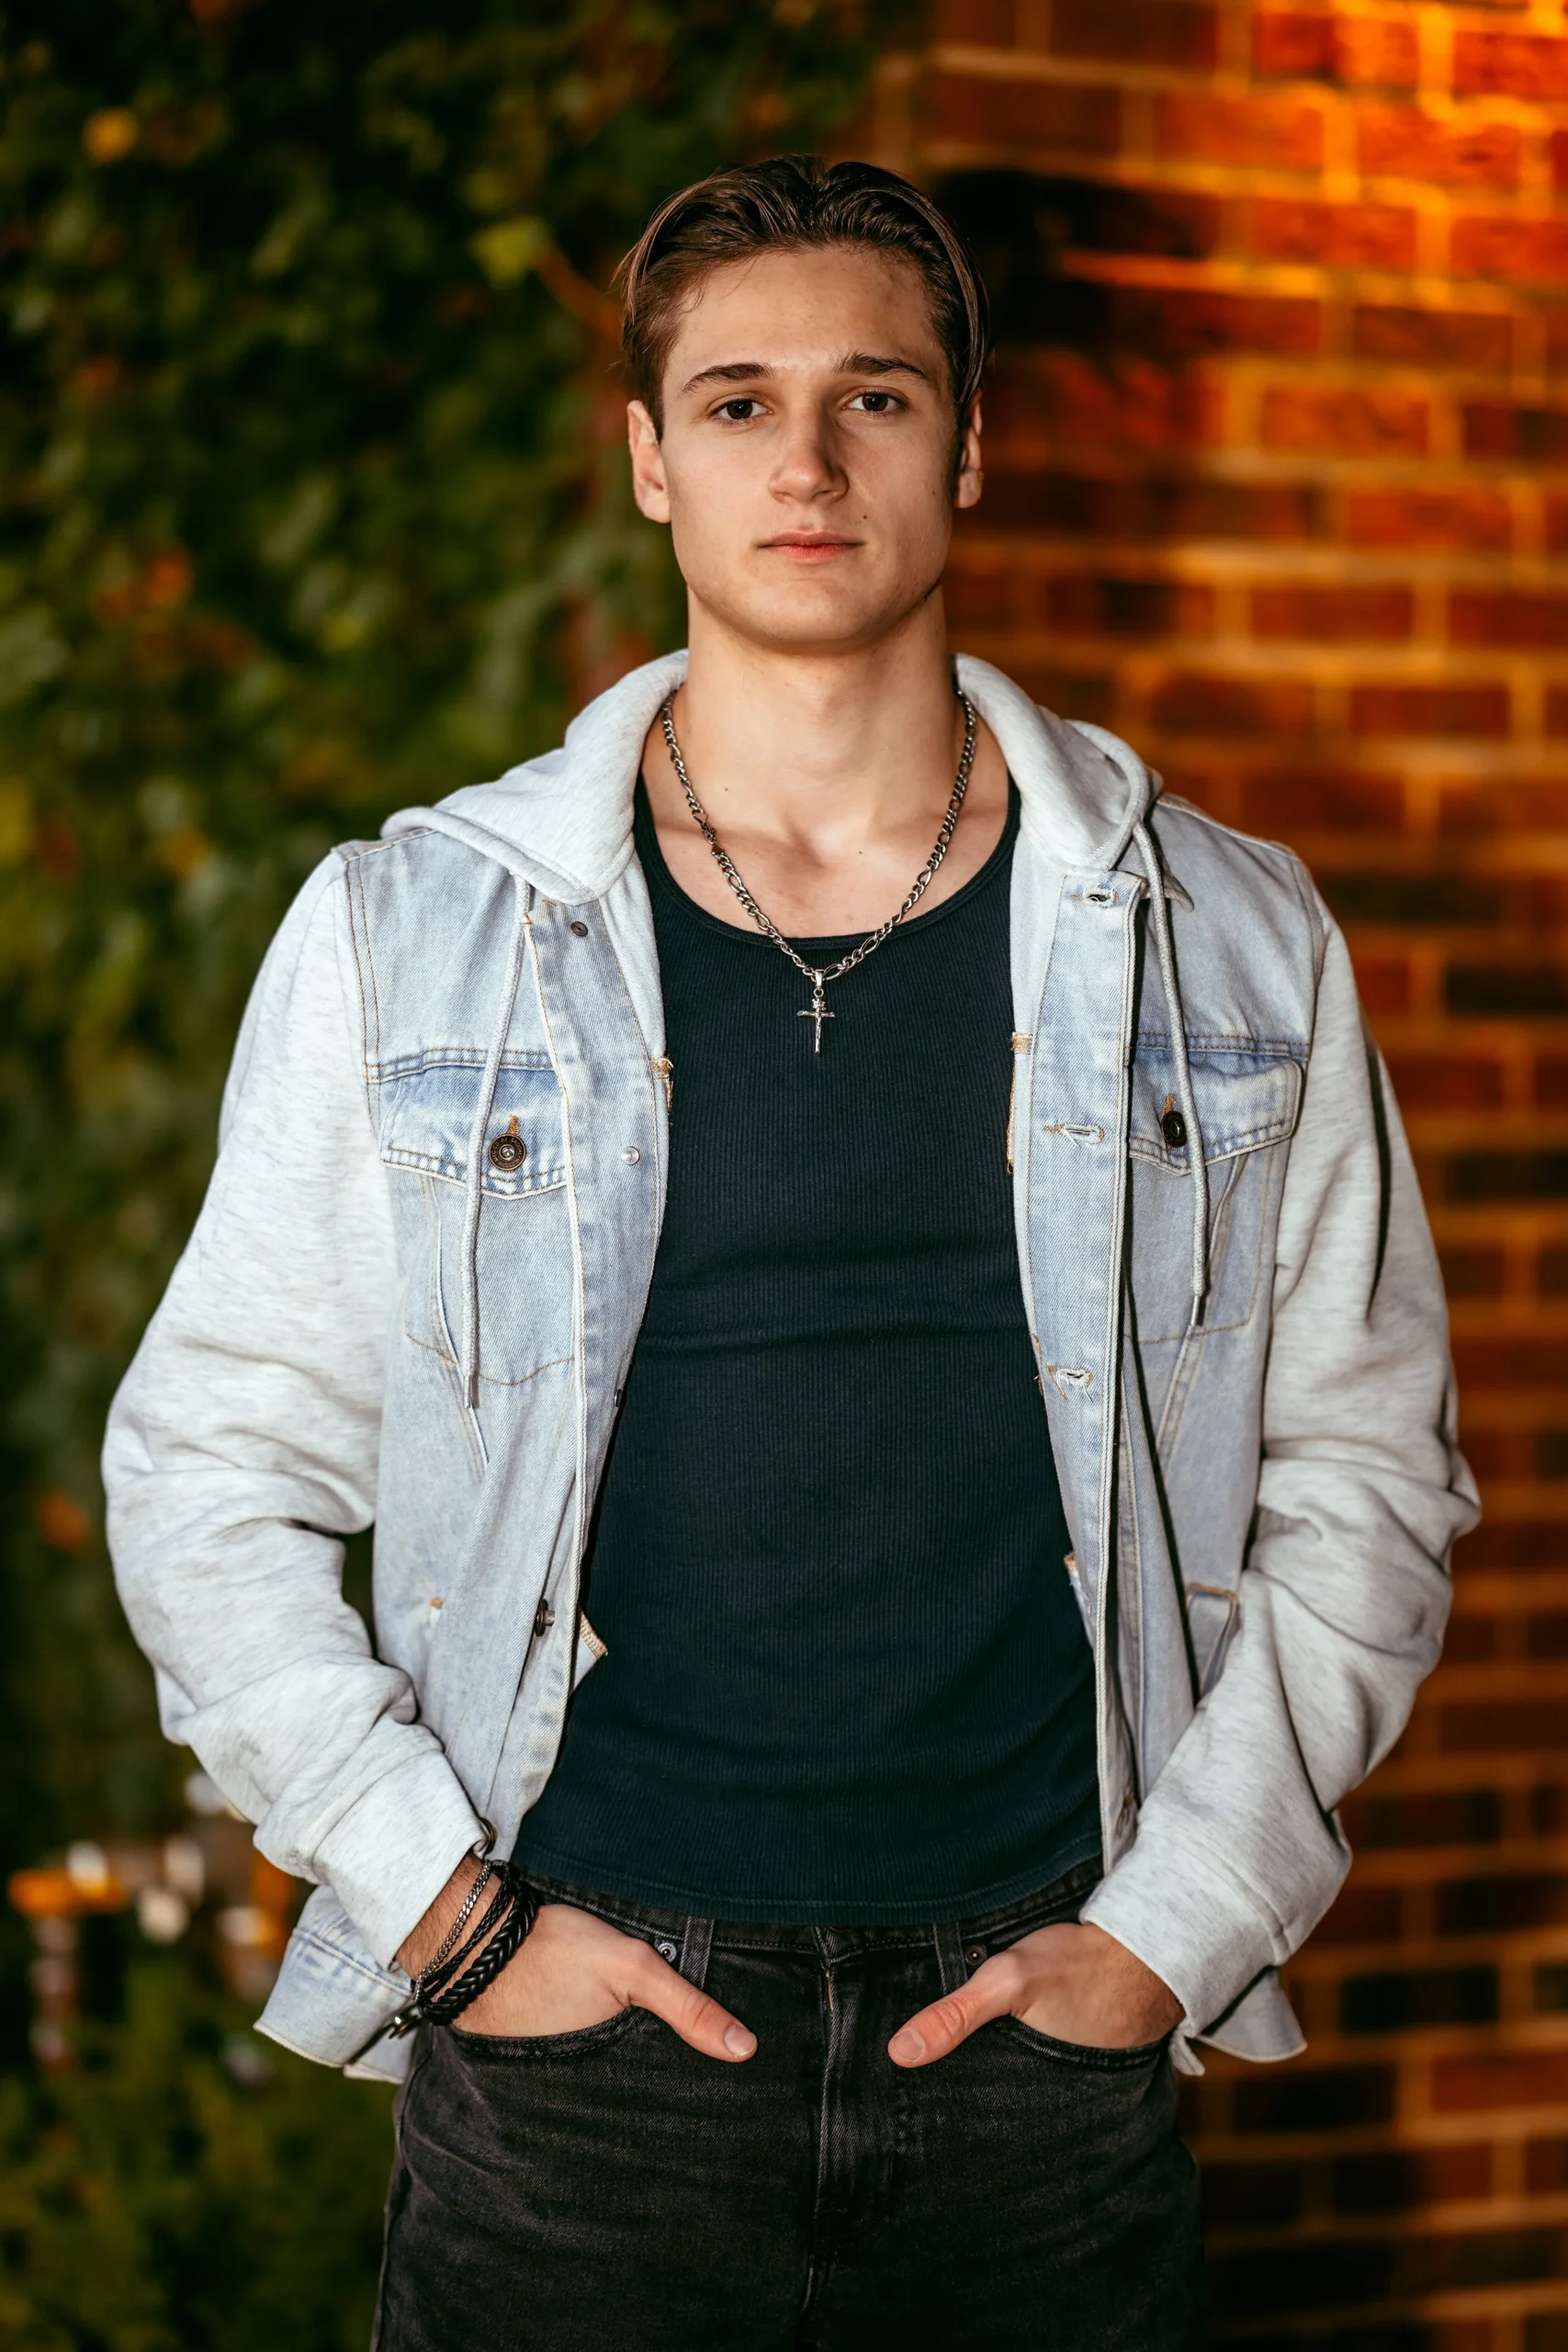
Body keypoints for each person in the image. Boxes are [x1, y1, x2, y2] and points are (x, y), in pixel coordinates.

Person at [104, 155, 1477, 2351]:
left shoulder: (1227, 934)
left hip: (1047, 2040)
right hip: (580, 2065)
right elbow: (209, 1466)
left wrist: (1176, 1926)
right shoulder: (415, 930)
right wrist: (453, 1923)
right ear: (648, 461)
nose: (809, 460)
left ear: (969, 441)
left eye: (876, 396)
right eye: (736, 403)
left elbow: (1366, 1470)